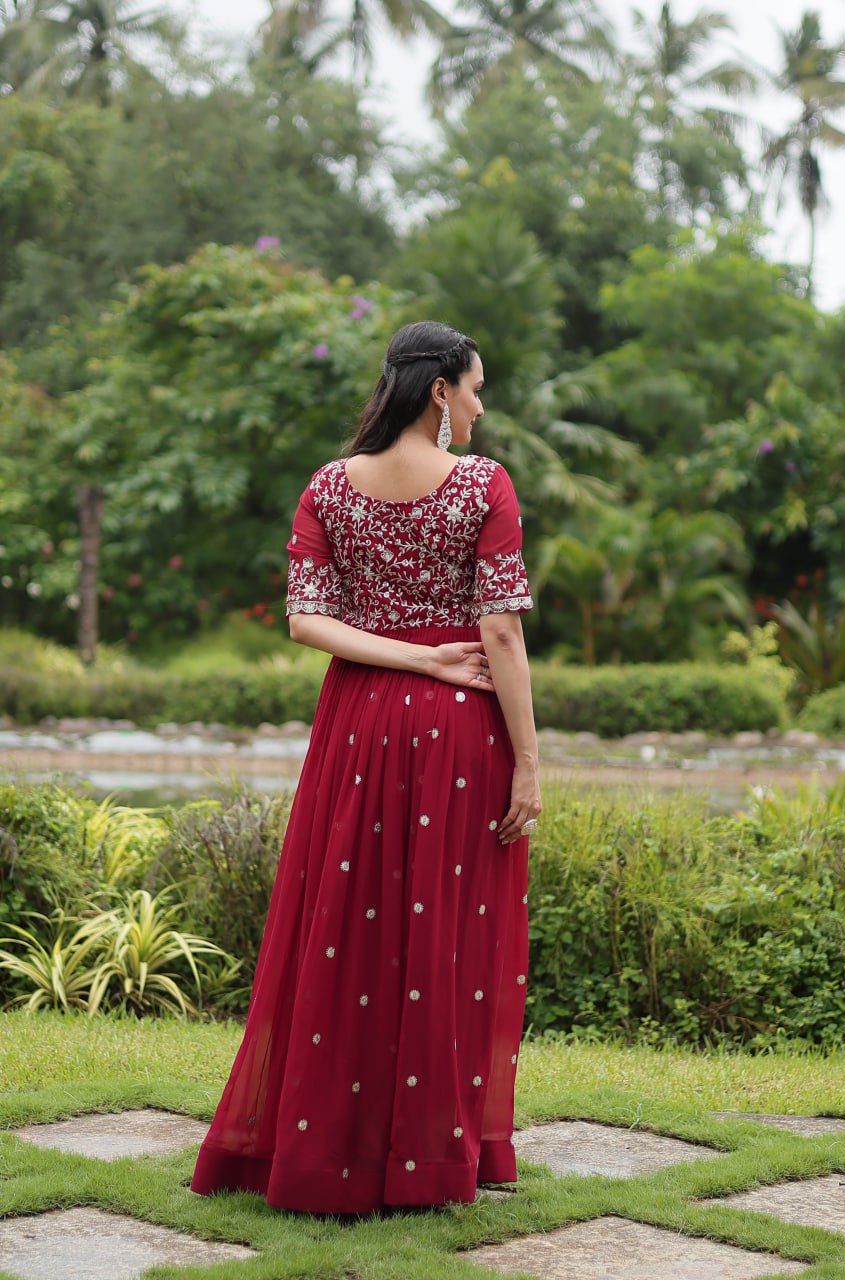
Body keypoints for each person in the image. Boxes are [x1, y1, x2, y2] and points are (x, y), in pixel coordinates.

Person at [190, 320, 541, 1216]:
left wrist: (400, 659)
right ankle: (431, 1153)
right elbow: (499, 630)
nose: (479, 403)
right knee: (442, 937)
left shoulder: (327, 488)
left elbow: (307, 622)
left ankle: (323, 1150)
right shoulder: (481, 486)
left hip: (355, 725)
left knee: (345, 928)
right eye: (474, 386)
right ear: (438, 392)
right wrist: (527, 759)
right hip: (460, 729)